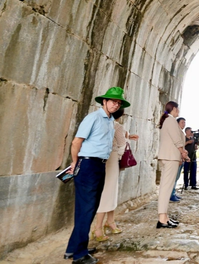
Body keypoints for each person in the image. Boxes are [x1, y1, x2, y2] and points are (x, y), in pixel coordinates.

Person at [65, 87, 130, 264]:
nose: (116, 105)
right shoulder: (93, 117)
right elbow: (76, 141)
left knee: (88, 208)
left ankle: (72, 248)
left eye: (118, 102)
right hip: (87, 165)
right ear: (104, 101)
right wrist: (74, 162)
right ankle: (79, 255)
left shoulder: (110, 121)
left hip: (99, 165)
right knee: (86, 209)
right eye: (113, 101)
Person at [92, 108, 139, 242]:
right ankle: (98, 227)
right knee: (108, 191)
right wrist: (118, 157)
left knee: (111, 190)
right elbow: (122, 145)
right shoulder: (117, 126)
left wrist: (127, 135)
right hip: (111, 159)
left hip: (99, 158)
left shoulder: (102, 123)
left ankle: (110, 221)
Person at [157, 101, 189, 229]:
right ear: (174, 109)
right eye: (178, 109)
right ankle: (162, 219)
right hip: (170, 157)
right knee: (166, 188)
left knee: (167, 188)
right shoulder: (170, 120)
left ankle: (165, 216)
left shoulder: (168, 120)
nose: (179, 111)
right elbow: (176, 139)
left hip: (169, 156)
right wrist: (182, 152)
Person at [169, 117, 186, 201]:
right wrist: (179, 158)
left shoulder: (180, 133)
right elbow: (176, 147)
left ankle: (173, 192)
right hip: (176, 158)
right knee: (173, 178)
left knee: (176, 177)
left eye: (184, 122)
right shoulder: (176, 133)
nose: (184, 124)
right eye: (182, 122)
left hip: (180, 158)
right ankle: (171, 195)